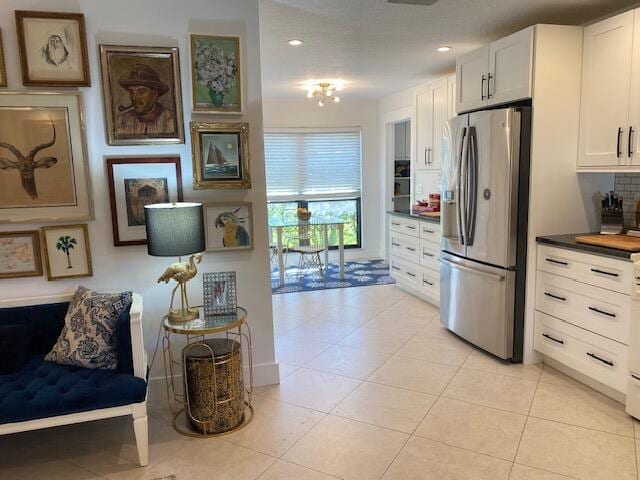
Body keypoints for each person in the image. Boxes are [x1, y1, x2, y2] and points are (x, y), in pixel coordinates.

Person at [116, 63, 175, 137]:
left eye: (141, 92)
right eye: (131, 92)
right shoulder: (123, 121)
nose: (134, 98)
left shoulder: (170, 120)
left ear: (155, 94)